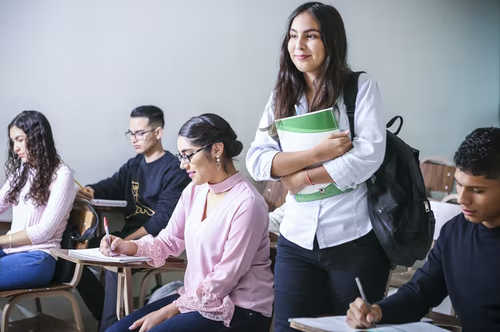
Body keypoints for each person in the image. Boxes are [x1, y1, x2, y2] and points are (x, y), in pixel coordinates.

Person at [246, 2, 390, 331]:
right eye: (293, 36)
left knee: (350, 327)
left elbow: (369, 155)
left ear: (331, 41)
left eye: (310, 36)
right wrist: (317, 154)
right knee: (287, 328)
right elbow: (257, 159)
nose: (298, 45)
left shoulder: (359, 88)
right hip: (296, 238)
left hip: (353, 237)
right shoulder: (281, 94)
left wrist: (303, 177)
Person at [103, 113, 274, 332]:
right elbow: (168, 240)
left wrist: (168, 310)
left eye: (188, 156)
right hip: (195, 299)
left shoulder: (248, 203)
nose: (183, 165)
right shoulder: (194, 190)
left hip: (240, 308)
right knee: (116, 331)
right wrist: (126, 246)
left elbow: (225, 278)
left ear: (217, 149)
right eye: (180, 156)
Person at [347, 127, 500, 332]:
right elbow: (420, 293)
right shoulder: (454, 233)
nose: (462, 199)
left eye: (478, 191)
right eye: (459, 185)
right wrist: (378, 311)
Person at [75, 105, 191, 330]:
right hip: (128, 237)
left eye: (140, 133)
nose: (134, 139)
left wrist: (128, 242)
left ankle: (108, 326)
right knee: (78, 255)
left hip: (156, 241)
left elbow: (161, 222)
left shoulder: (173, 169)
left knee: (114, 266)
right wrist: (90, 190)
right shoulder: (134, 165)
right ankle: (110, 320)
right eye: (131, 133)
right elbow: (112, 185)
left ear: (158, 132)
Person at [0, 110, 75, 290]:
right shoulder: (21, 173)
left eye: (20, 139)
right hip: (10, 253)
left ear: (37, 137)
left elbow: (43, 232)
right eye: (13, 142)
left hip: (38, 258)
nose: (15, 148)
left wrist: (1, 239)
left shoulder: (62, 175)